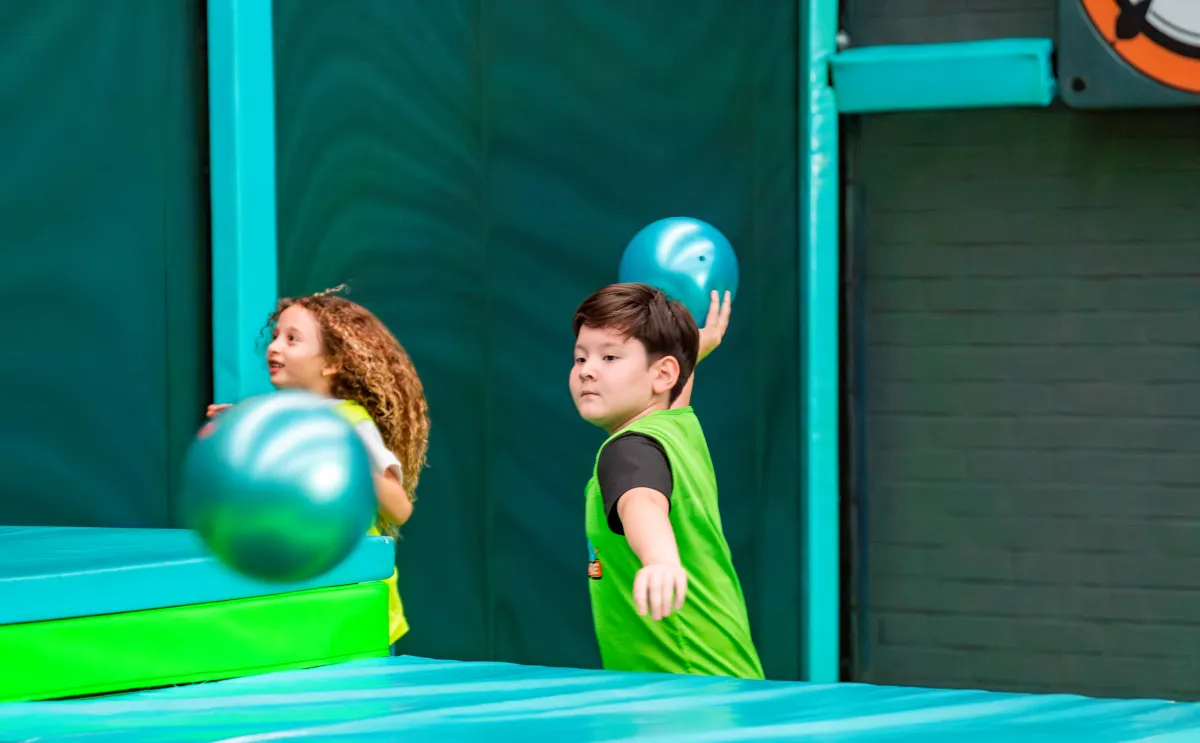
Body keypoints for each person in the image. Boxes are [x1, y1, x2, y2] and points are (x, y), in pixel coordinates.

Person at [207, 286, 429, 651]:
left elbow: (399, 509)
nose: (275, 347)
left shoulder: (351, 423)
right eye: (276, 336)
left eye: (293, 339)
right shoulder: (281, 419)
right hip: (304, 589)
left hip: (356, 597)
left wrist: (343, 452)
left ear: (331, 363)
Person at [570, 282, 764, 680]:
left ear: (662, 373)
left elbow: (642, 500)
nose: (587, 370)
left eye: (609, 357)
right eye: (580, 358)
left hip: (683, 690)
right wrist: (696, 346)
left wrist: (660, 559)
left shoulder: (627, 450)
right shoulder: (678, 423)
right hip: (730, 676)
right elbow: (674, 387)